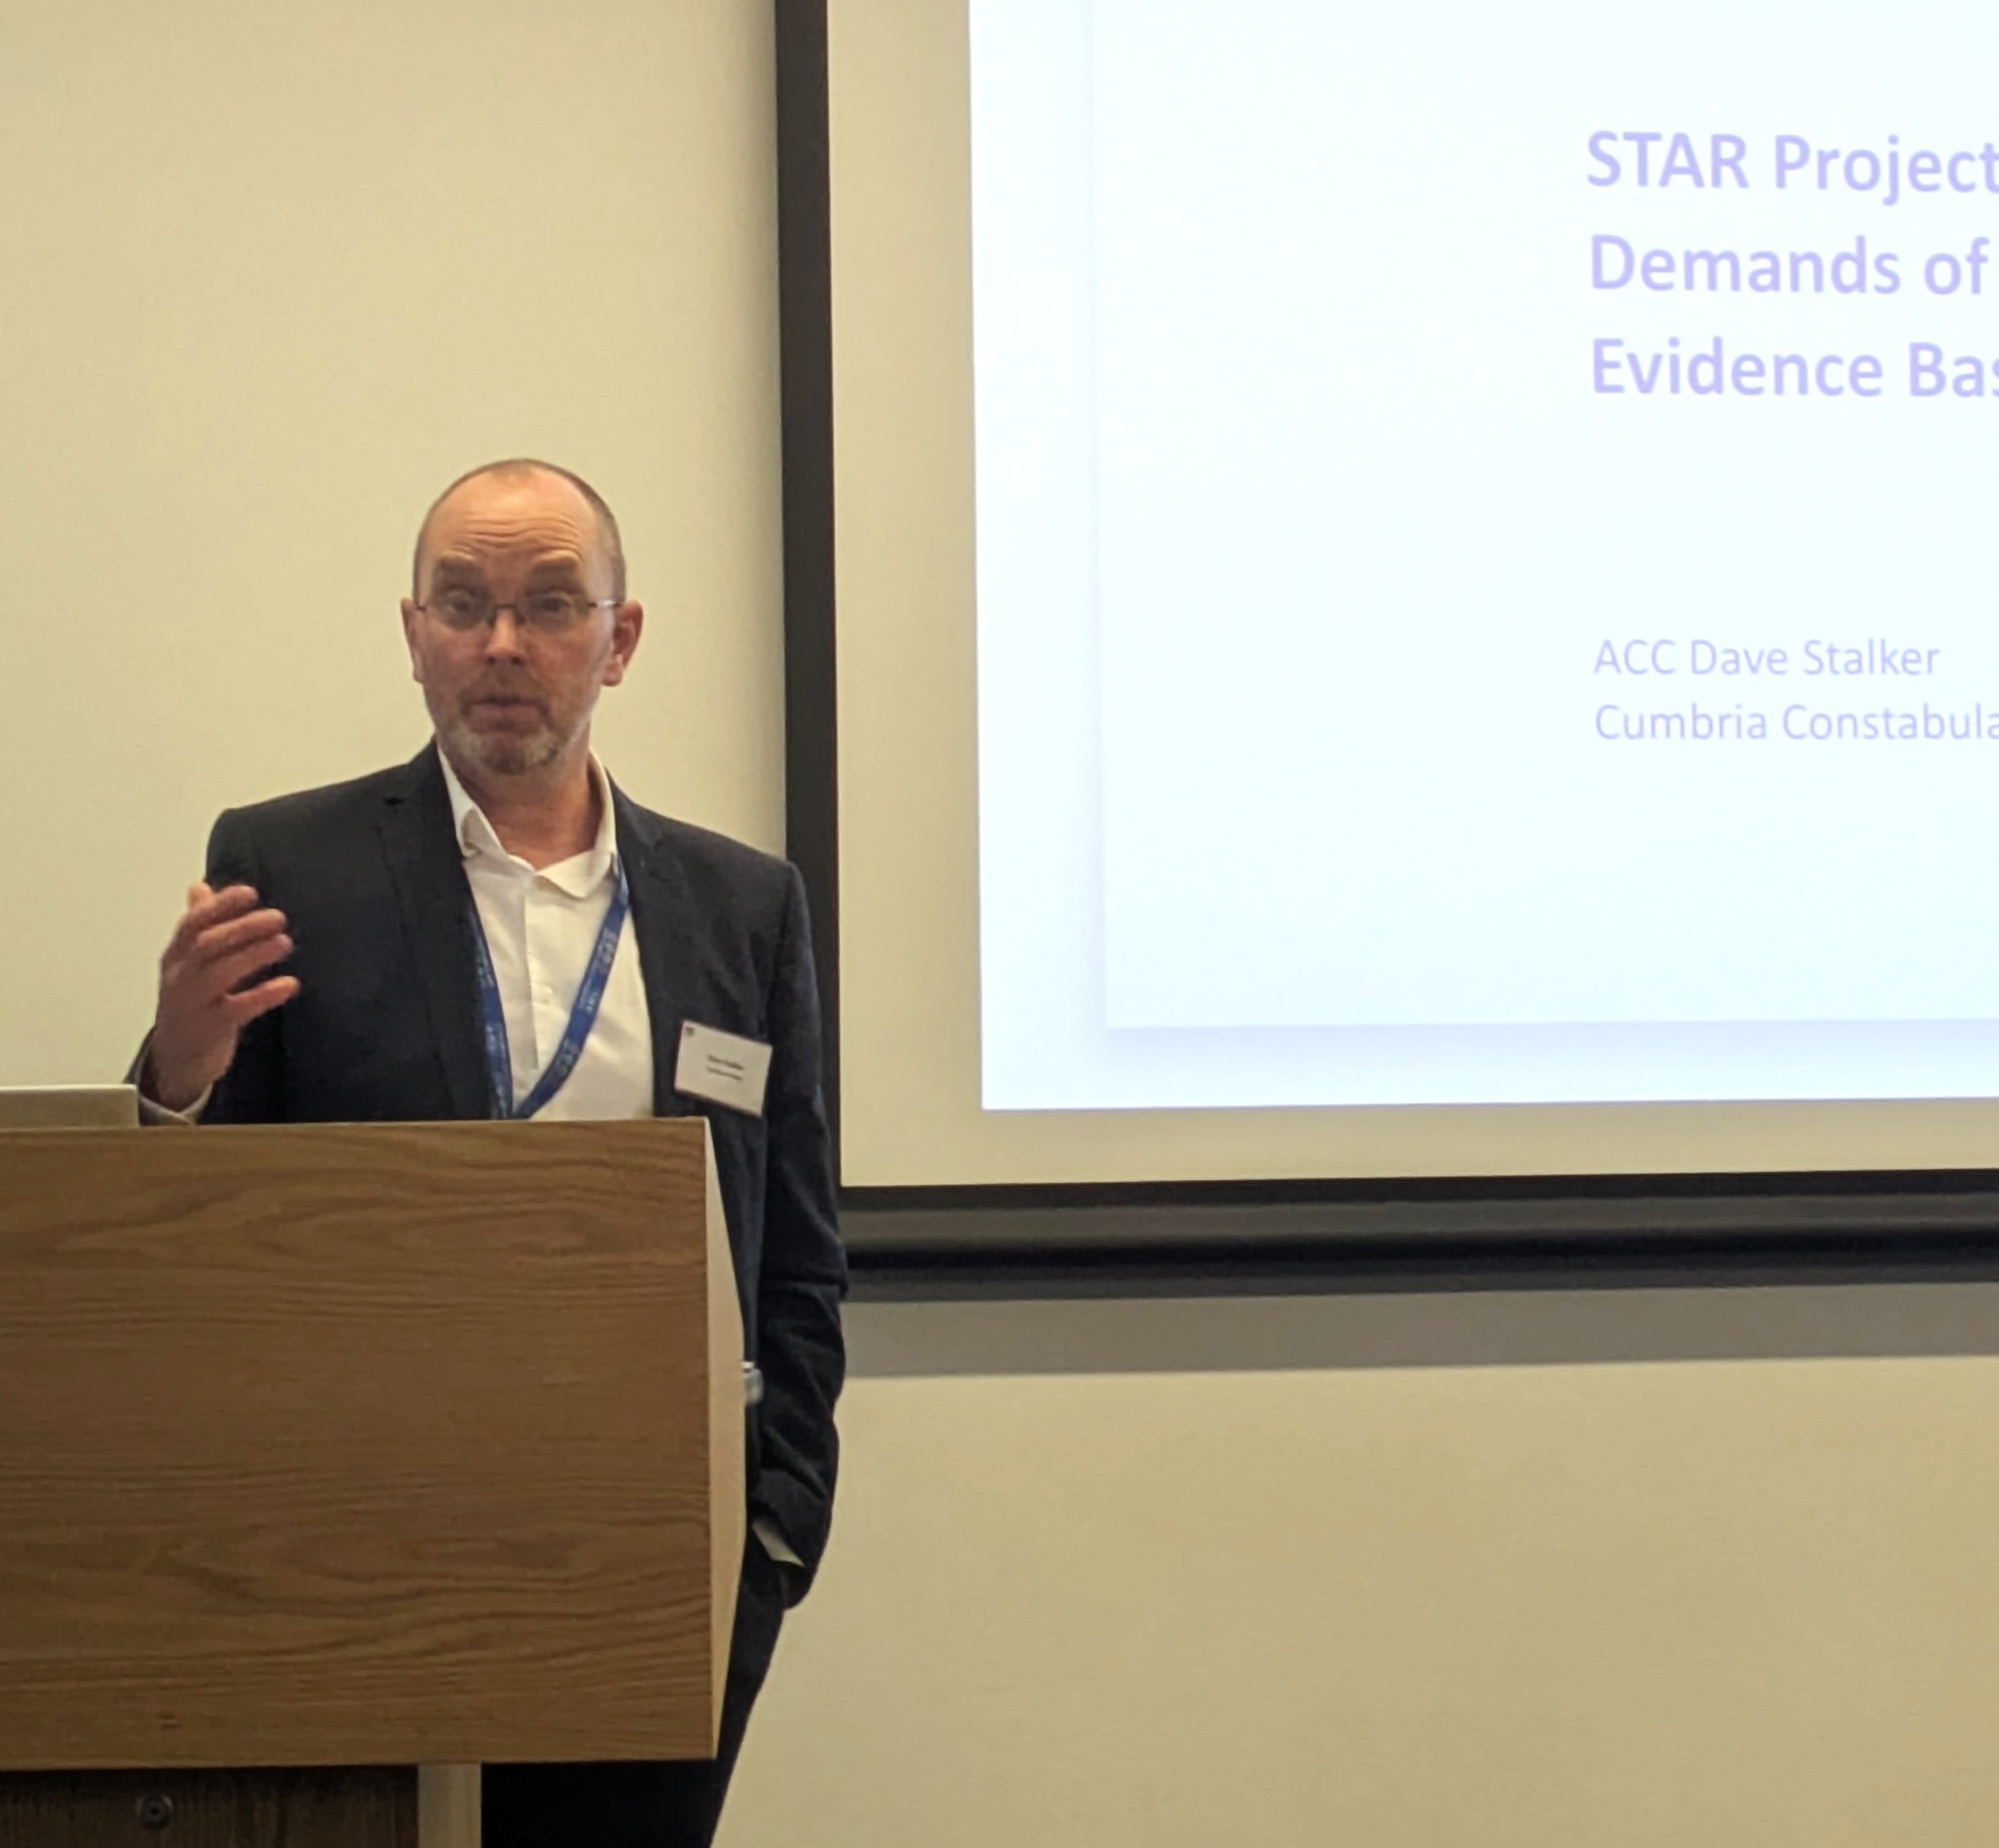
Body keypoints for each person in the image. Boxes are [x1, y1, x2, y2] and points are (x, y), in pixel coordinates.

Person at [136, 458, 845, 1848]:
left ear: (619, 640)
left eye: (550, 605)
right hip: (359, 1558)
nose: (503, 643)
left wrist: (772, 1537)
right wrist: (177, 1070)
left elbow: (798, 1254)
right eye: (463, 605)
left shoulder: (740, 907)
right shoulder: (291, 866)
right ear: (415, 637)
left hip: (660, 1563)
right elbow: (186, 1236)